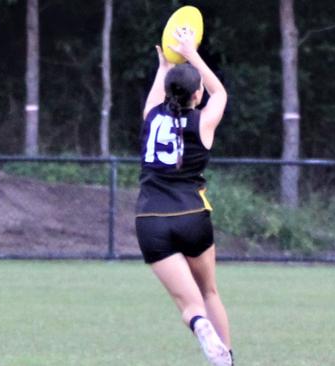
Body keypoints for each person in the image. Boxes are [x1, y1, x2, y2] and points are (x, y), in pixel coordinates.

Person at [134, 27, 233, 366]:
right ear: (196, 95)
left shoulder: (150, 118)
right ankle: (227, 360)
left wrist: (165, 66)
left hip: (150, 222)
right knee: (209, 292)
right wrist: (191, 54)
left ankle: (200, 326)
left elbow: (156, 96)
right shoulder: (202, 122)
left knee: (191, 307)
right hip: (192, 216)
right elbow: (220, 92)